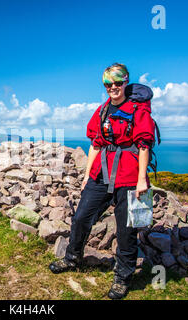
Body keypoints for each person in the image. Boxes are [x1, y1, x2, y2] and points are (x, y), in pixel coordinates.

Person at [49, 63, 156, 300]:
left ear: (126, 82)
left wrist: (141, 180)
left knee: (126, 230)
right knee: (81, 217)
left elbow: (144, 145)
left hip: (129, 177)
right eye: (108, 83)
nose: (113, 87)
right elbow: (96, 144)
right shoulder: (103, 110)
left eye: (118, 82)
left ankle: (122, 278)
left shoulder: (138, 110)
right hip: (101, 174)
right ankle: (72, 258)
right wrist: (88, 174)